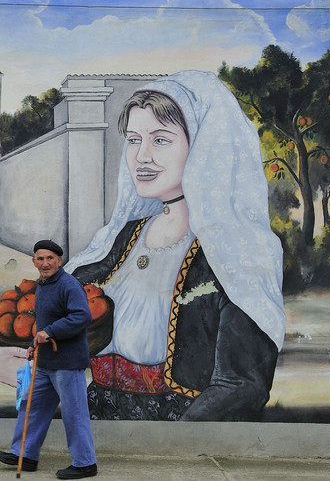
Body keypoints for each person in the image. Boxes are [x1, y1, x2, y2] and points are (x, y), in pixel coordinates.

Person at [64, 70, 285, 421]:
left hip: (176, 433)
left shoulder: (238, 254)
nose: (141, 156)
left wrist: (172, 445)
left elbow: (241, 386)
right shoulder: (124, 237)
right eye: (134, 140)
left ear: (203, 147)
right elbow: (46, 303)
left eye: (160, 140)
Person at [0, 239, 98, 479]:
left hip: (67, 363)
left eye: (50, 258)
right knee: (32, 407)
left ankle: (85, 463)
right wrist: (32, 344)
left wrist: (50, 333)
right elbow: (44, 322)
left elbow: (82, 316)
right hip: (44, 361)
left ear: (59, 261)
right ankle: (25, 456)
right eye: (40, 259)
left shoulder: (68, 285)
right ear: (34, 262)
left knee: (74, 413)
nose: (45, 263)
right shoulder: (43, 284)